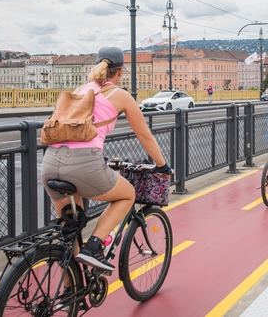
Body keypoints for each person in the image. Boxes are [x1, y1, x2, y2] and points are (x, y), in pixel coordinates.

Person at [41, 46, 171, 271]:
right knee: (127, 194)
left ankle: (68, 293)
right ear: (121, 72)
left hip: (50, 161)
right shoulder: (120, 95)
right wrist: (162, 165)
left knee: (71, 231)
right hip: (83, 163)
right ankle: (94, 247)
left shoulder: (81, 89)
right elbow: (144, 135)